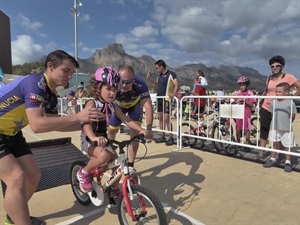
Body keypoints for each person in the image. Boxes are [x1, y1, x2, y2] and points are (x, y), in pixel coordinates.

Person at [0, 50, 102, 225]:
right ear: (50, 66)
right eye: (65, 70)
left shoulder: (51, 95)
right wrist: (78, 116)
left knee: (33, 175)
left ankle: (14, 215)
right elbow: (37, 125)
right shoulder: (35, 83)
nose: (69, 76)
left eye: (71, 72)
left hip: (12, 133)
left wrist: (86, 125)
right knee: (16, 177)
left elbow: (56, 123)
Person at [77, 66, 152, 193]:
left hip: (103, 139)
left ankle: (113, 189)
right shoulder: (92, 103)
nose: (112, 93)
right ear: (98, 87)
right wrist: (93, 138)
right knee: (104, 155)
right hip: (89, 139)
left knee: (118, 164)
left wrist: (141, 130)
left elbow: (126, 119)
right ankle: (83, 172)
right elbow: (86, 124)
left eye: (115, 90)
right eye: (108, 89)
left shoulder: (112, 105)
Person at [107, 65, 153, 173]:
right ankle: (111, 156)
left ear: (134, 79)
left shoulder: (140, 84)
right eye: (122, 81)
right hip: (119, 106)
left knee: (135, 132)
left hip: (135, 106)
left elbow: (148, 106)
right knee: (112, 130)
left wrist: (149, 129)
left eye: (128, 82)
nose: (124, 85)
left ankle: (131, 164)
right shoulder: (114, 83)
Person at [258, 55, 300, 159]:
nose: (274, 67)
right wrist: (261, 100)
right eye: (272, 66)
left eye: (277, 65)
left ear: (282, 66)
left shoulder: (288, 77)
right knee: (264, 129)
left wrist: (291, 99)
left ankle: (281, 152)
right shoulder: (269, 78)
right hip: (266, 106)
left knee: (281, 129)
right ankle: (261, 151)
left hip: (280, 108)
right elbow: (266, 91)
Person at [263, 82, 297, 172]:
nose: (277, 93)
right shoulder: (273, 102)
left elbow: (293, 116)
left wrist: (287, 122)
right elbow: (271, 114)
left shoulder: (291, 103)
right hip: (274, 127)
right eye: (276, 92)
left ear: (286, 92)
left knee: (287, 145)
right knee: (274, 143)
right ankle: (273, 158)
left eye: (279, 92)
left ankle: (288, 161)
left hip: (286, 128)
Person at [147, 59, 179, 146]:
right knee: (160, 117)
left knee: (166, 118)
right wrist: (150, 79)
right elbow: (157, 86)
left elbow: (176, 84)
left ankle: (171, 137)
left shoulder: (171, 74)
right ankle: (162, 135)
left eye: (157, 68)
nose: (156, 70)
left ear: (161, 66)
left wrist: (174, 94)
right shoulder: (159, 76)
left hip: (167, 99)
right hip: (159, 98)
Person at [235, 76, 256, 152]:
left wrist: (244, 100)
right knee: (237, 128)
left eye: (243, 85)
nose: (241, 87)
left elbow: (251, 105)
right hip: (238, 113)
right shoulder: (238, 93)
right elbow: (235, 101)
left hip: (246, 114)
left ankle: (247, 145)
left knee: (247, 129)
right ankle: (238, 143)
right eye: (240, 85)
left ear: (247, 85)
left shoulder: (250, 93)